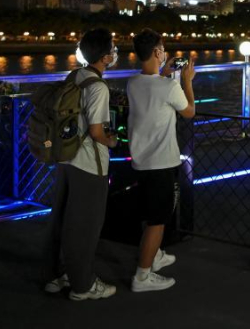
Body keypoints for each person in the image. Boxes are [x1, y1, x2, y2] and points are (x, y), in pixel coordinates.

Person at [43, 28, 119, 301]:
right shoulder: (97, 87)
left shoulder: (75, 76)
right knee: (85, 226)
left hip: (66, 157)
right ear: (104, 56)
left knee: (62, 218)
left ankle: (56, 274)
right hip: (89, 164)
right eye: (112, 48)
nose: (114, 53)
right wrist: (112, 142)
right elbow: (97, 132)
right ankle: (83, 285)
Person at [127, 29, 195, 292]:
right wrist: (186, 81)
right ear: (157, 52)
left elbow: (152, 88)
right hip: (161, 163)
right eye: (162, 48)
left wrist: (165, 74)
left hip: (141, 161)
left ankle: (153, 255)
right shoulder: (168, 87)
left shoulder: (133, 83)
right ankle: (142, 276)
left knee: (150, 212)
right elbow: (189, 111)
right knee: (158, 219)